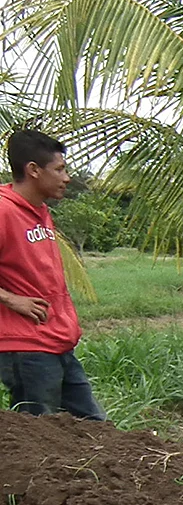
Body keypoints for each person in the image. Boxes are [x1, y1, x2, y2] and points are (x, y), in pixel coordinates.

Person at [0, 129, 105, 420]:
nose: (67, 177)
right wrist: (11, 299)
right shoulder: (4, 211)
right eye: (59, 169)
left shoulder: (40, 211)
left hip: (57, 339)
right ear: (33, 170)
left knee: (96, 426)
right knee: (38, 432)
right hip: (26, 346)